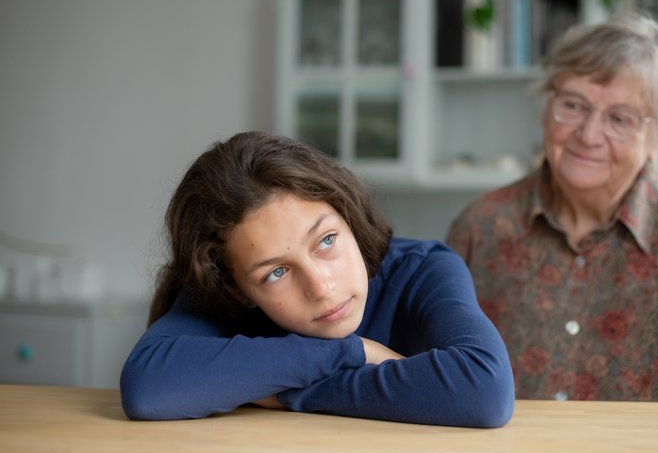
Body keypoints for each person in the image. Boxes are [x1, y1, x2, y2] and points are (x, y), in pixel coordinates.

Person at [120, 131, 514, 427]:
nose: (322, 287)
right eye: (276, 272)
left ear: (349, 217)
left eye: (326, 241)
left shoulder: (423, 269)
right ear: (237, 290)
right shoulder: (221, 291)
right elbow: (148, 388)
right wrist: (353, 353)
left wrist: (289, 392)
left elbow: (485, 390)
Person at [446, 13, 658, 402]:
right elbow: (446, 383)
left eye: (620, 119)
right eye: (573, 105)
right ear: (545, 107)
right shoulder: (479, 228)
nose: (588, 135)